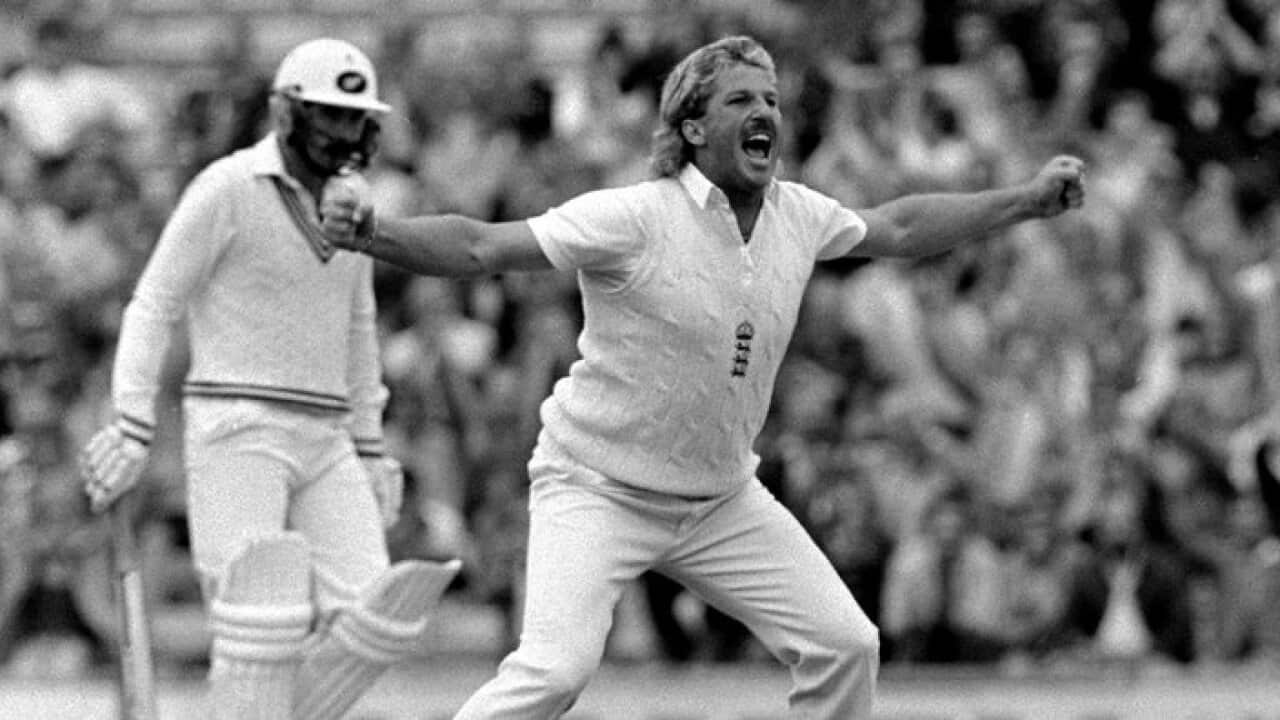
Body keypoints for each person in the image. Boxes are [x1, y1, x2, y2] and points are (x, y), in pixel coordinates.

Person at [321, 34, 1085, 720]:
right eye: (741, 99)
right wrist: (375, 234)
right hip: (597, 485)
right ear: (691, 128)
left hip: (720, 497)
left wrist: (1023, 201)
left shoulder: (799, 213)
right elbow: (482, 247)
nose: (767, 113)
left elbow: (903, 228)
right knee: (555, 673)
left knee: (848, 645)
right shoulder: (635, 217)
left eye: (773, 99)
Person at [77, 38, 459, 720]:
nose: (346, 132)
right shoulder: (226, 188)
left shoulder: (352, 205)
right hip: (236, 427)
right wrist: (132, 424)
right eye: (330, 116)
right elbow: (155, 302)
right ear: (285, 113)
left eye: (355, 118)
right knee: (256, 620)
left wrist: (370, 447)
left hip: (328, 433)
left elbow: (358, 330)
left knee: (377, 615)